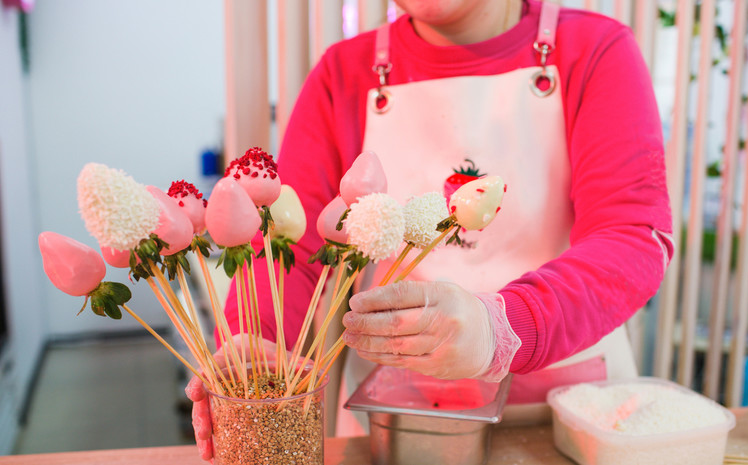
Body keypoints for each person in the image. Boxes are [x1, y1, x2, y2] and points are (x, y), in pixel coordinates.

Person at [187, 0, 673, 459]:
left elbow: (631, 236)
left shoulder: (592, 50)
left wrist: (500, 327)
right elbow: (287, 245)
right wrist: (257, 340)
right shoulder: (344, 73)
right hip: (400, 422)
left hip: (566, 415)